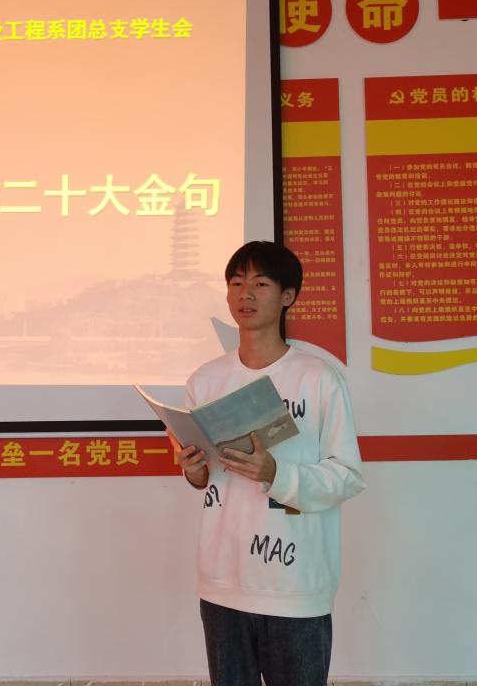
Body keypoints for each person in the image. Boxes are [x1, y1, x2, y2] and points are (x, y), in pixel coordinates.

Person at [175, 240, 366, 686]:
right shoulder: (206, 380)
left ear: (287, 296)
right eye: (236, 283)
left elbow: (347, 475)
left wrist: (276, 474)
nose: (245, 293)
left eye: (260, 283)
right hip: (222, 580)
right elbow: (205, 479)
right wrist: (193, 468)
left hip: (295, 583)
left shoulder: (318, 378)